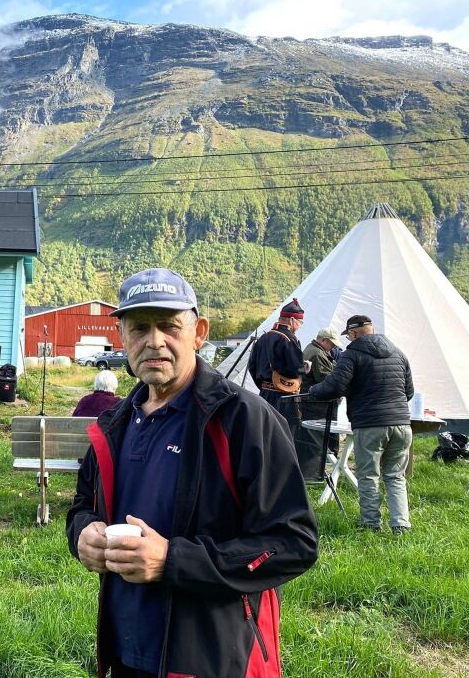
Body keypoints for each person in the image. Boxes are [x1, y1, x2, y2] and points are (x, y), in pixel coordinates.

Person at [66, 268, 318, 678]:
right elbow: (82, 506)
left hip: (212, 657)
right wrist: (83, 534)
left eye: (169, 326)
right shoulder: (112, 425)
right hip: (124, 652)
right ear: (124, 338)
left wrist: (171, 560)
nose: (154, 341)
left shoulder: (243, 420)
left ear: (198, 332)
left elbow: (293, 543)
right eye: (139, 328)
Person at [309, 314, 414, 534]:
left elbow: (334, 387)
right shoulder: (398, 352)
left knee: (368, 475)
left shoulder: (352, 355)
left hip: (370, 424)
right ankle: (401, 526)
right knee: (395, 476)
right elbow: (409, 391)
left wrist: (313, 391)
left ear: (354, 333)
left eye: (348, 336)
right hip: (402, 424)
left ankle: (370, 525)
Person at [247, 298, 306, 412]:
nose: (300, 326)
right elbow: (295, 369)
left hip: (264, 395)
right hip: (284, 398)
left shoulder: (263, 338)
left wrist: (264, 386)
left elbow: (252, 366)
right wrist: (305, 368)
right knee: (285, 429)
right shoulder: (289, 339)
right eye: (300, 322)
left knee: (266, 428)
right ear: (292, 320)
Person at [300, 326, 341, 423]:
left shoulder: (312, 348)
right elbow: (325, 379)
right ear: (324, 340)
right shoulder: (318, 354)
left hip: (311, 400)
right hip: (316, 404)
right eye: (332, 344)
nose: (334, 347)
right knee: (320, 434)